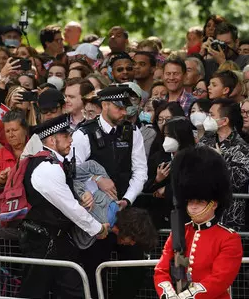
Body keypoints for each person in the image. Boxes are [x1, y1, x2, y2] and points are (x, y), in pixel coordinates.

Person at [18, 113, 109, 299]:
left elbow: (68, 203)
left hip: (57, 242)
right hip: (42, 244)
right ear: (52, 140)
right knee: (35, 294)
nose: (71, 139)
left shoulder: (55, 163)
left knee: (75, 292)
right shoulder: (47, 167)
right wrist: (97, 228)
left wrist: (81, 199)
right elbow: (70, 208)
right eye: (66, 136)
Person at [71, 85, 148, 298]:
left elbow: (141, 171)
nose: (124, 113)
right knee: (94, 268)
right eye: (119, 108)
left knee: (135, 264)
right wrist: (97, 180)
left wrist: (127, 199)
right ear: (104, 105)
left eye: (126, 108)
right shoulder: (83, 134)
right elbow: (72, 171)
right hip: (95, 213)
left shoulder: (132, 131)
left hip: (125, 212)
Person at [154, 146, 242, 299]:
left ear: (213, 204)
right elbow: (161, 271)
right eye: (190, 201)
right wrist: (168, 295)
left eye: (200, 202)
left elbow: (219, 280)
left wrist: (186, 297)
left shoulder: (228, 238)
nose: (193, 206)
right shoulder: (180, 232)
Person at [199, 98, 249, 231]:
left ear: (224, 121)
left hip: (230, 218)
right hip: (203, 213)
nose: (208, 118)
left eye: (212, 115)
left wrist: (220, 160)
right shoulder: (205, 142)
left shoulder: (243, 148)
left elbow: (237, 181)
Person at [142, 117, 196, 229]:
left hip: (186, 218)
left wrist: (167, 190)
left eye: (171, 135)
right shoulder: (158, 157)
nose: (167, 139)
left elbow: (193, 185)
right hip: (160, 218)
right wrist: (157, 180)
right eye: (166, 135)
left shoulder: (195, 158)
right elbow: (145, 186)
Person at [0, 110, 28, 196]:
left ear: (25, 130)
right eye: (7, 131)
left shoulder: (35, 149)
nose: (11, 135)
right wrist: (0, 178)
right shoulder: (2, 153)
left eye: (14, 130)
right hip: (8, 199)